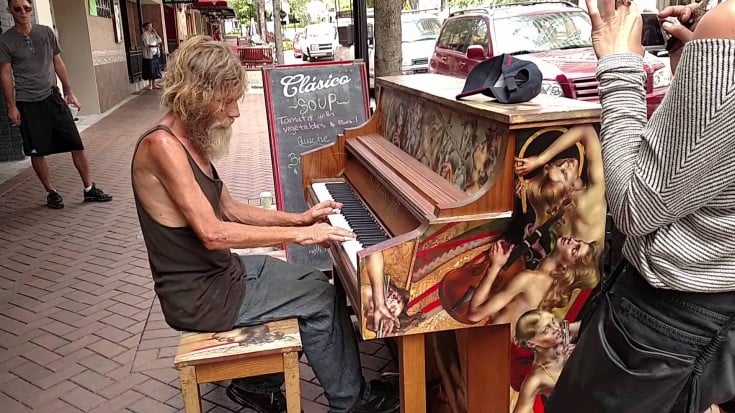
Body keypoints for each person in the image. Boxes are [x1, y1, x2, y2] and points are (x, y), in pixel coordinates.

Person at [130, 35, 400, 413]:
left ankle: (260, 383)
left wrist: (301, 217)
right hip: (201, 297)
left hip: (222, 274)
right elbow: (214, 232)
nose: (235, 112)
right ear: (197, 94)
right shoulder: (162, 147)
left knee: (311, 280)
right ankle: (350, 401)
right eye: (227, 101)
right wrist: (302, 235)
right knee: (320, 299)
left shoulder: (188, 138)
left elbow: (229, 207)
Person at [545, 0, 735, 412]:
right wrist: (697, 64)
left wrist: (618, 66)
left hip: (672, 318)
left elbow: (636, 205)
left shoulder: (729, 23)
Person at [0, 0, 112, 209]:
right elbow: (5, 74)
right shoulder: (6, 40)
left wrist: (69, 91)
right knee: (36, 151)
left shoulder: (45, 33)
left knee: (76, 144)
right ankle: (51, 192)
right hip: (27, 102)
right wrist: (11, 105)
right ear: (9, 11)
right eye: (17, 9)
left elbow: (58, 62)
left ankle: (89, 188)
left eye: (27, 8)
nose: (23, 12)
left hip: (52, 97)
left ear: (32, 9)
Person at [512, 310, 579, 413]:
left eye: (553, 321)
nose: (556, 328)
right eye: (546, 330)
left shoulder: (565, 332)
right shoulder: (536, 379)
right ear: (531, 343)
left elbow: (601, 325)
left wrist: (580, 350)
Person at [141, 22, 162, 91]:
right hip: (148, 55)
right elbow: (146, 44)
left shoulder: (153, 34)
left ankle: (154, 84)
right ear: (145, 27)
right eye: (149, 26)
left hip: (155, 53)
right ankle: (150, 85)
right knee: (150, 69)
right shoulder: (144, 34)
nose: (151, 28)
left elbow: (160, 40)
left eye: (151, 26)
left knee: (155, 69)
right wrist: (155, 46)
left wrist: (156, 33)